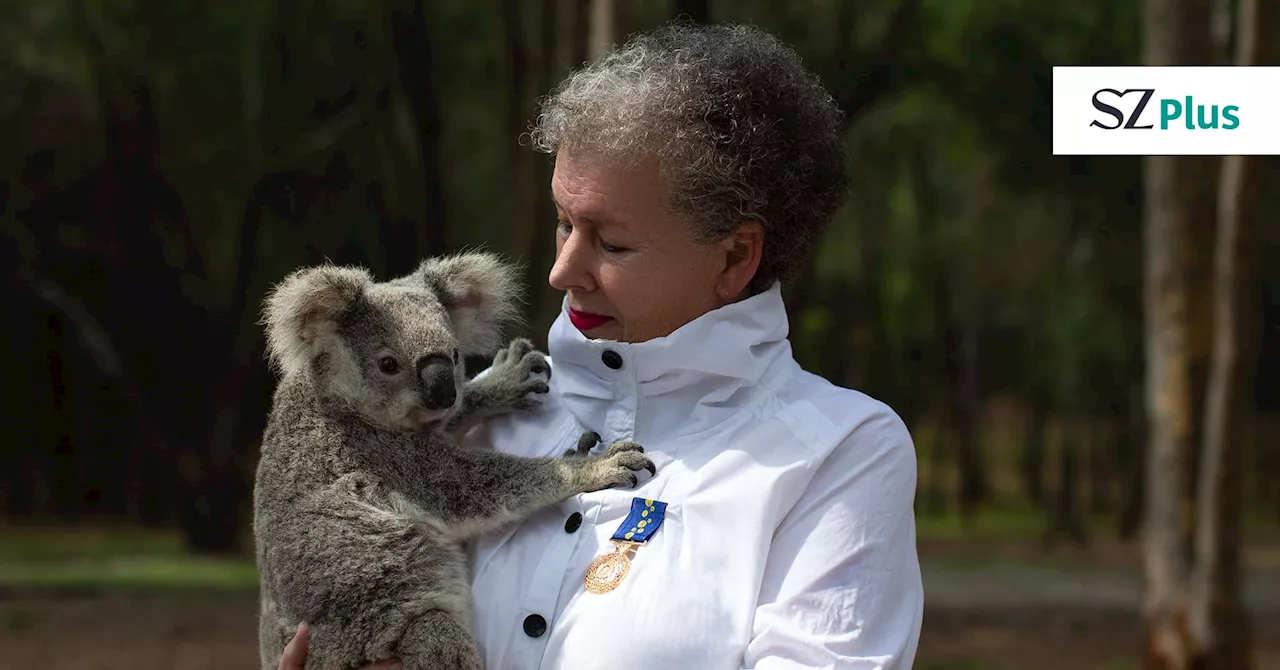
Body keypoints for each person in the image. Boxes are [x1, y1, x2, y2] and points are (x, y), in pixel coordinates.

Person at [278, 20, 922, 670]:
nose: (562, 272)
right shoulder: (473, 418)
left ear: (734, 256)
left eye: (611, 243)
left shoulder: (838, 453)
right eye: (563, 224)